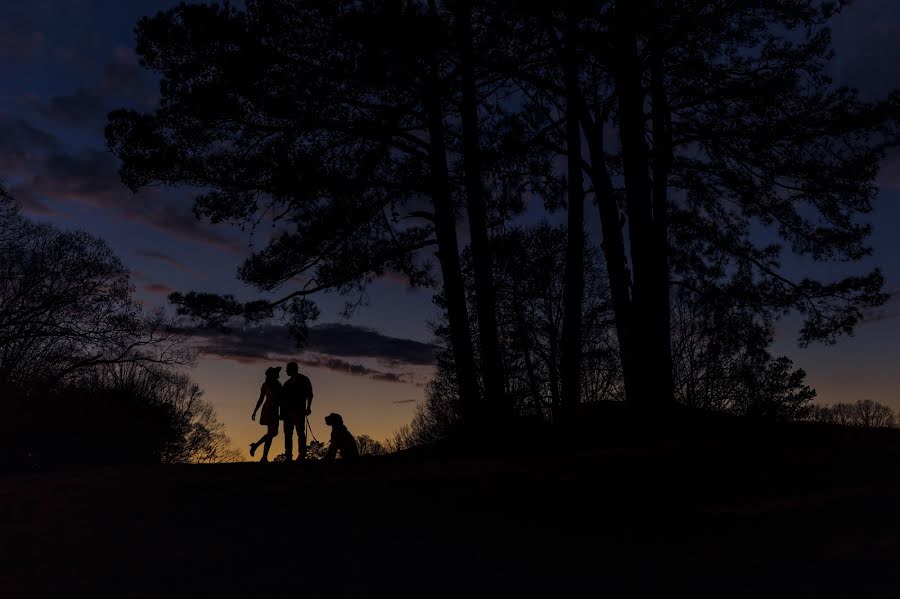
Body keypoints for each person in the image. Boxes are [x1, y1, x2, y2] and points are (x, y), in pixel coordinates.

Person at [281, 361, 313, 462]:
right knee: (288, 434)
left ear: (293, 369)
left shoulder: (304, 380)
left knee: (300, 433)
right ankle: (288, 455)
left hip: (299, 411)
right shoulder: (286, 384)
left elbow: (310, 394)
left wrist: (308, 408)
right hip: (287, 413)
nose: (286, 371)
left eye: (287, 369)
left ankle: (302, 455)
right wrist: (282, 413)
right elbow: (282, 400)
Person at [249, 367, 282, 462]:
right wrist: (255, 411)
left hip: (274, 410)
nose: (278, 374)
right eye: (277, 372)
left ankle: (263, 456)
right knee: (273, 433)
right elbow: (261, 398)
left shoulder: (278, 384)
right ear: (273, 375)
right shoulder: (268, 385)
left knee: (271, 434)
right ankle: (257, 447)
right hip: (269, 410)